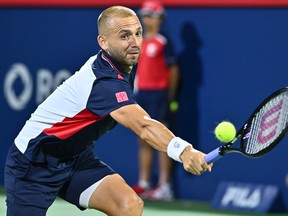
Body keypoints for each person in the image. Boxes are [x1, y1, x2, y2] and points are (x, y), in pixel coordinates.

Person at [4, 6, 212, 216]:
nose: (134, 43)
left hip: (74, 158)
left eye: (137, 33)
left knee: (128, 205)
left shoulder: (122, 63)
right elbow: (144, 126)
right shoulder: (104, 82)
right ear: (103, 42)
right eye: (124, 36)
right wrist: (184, 150)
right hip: (33, 164)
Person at [132, 0, 180, 201]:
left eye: (150, 15)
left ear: (159, 17)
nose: (146, 20)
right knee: (143, 138)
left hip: (159, 95)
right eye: (144, 15)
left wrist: (171, 98)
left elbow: (173, 70)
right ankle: (144, 183)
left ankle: (164, 186)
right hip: (141, 94)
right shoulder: (139, 41)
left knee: (162, 139)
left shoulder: (163, 41)